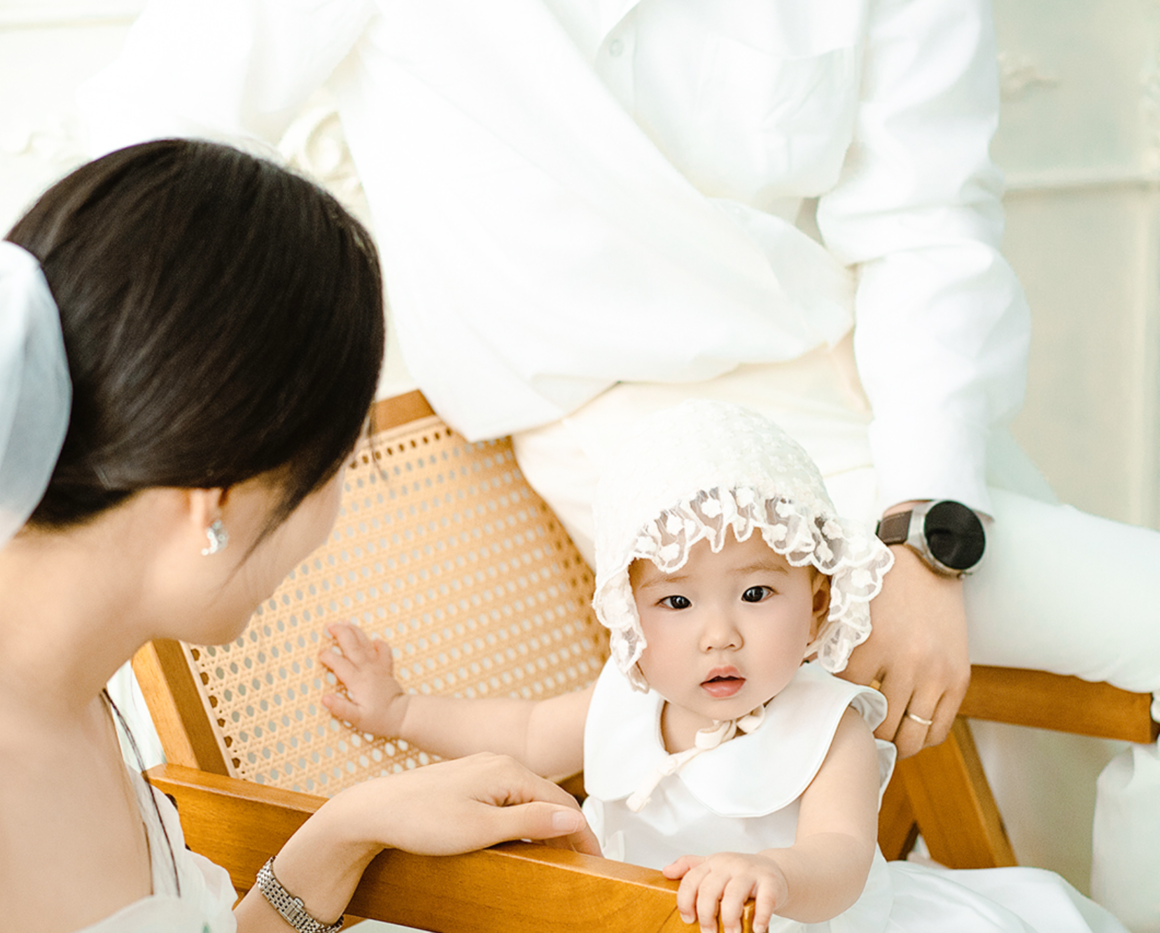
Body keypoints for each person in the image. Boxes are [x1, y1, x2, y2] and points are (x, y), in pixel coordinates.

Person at [78, 4, 1160, 927]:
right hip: (656, 447)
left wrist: (927, 524)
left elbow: (927, 223)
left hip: (895, 406)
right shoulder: (653, 657)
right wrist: (274, 402)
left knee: (1043, 760)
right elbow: (152, 133)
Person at [0, 139, 599, 933]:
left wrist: (348, 830)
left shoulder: (64, 687)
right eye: (336, 466)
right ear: (218, 499)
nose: (331, 514)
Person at [319, 400, 1128, 933]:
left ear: (816, 605)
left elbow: (844, 855)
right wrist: (400, 710)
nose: (719, 635)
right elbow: (524, 733)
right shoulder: (627, 699)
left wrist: (773, 871)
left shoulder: (828, 723)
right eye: (676, 602)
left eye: (755, 593)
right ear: (630, 613)